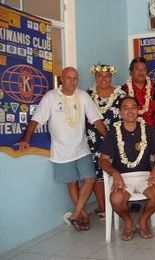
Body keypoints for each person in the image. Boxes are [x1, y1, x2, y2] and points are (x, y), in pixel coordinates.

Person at [20, 67, 107, 231]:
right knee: (72, 183)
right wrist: (26, 139)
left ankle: (76, 214)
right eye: (68, 78)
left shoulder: (82, 96)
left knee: (90, 179)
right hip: (61, 151)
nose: (72, 81)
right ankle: (83, 215)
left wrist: (111, 140)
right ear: (61, 79)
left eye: (75, 78)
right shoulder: (51, 97)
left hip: (82, 148)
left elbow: (96, 120)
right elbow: (36, 120)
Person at [99, 96, 155, 241]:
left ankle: (143, 220)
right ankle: (128, 222)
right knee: (116, 199)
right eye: (125, 107)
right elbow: (102, 161)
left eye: (133, 107)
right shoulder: (113, 132)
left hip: (145, 176)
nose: (130, 111)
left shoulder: (147, 129)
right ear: (120, 113)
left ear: (138, 110)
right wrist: (115, 173)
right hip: (122, 178)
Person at [86, 62, 126, 219]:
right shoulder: (87, 95)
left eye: (107, 76)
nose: (103, 79)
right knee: (98, 174)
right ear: (95, 77)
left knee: (116, 170)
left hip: (117, 140)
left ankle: (118, 204)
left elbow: (128, 115)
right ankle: (103, 207)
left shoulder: (121, 95)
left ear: (111, 77)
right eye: (99, 76)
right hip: (93, 140)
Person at [122, 57, 155, 128]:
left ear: (147, 72)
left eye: (143, 69)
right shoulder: (122, 91)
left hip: (154, 131)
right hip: (131, 131)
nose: (141, 72)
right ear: (131, 72)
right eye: (137, 69)